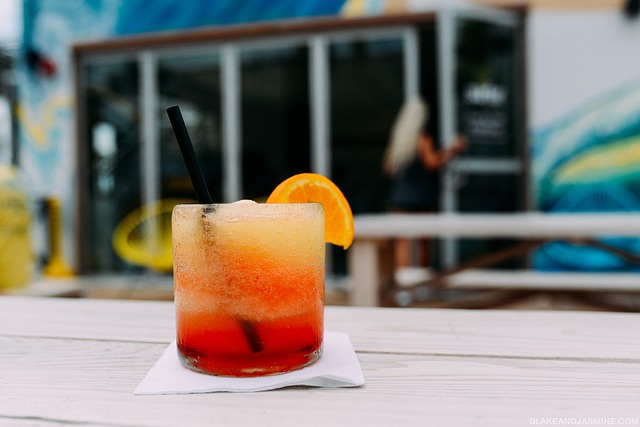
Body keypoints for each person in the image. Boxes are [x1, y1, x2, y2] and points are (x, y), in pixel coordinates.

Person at [383, 97, 466, 268]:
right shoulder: (423, 139)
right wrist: (452, 150)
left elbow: (388, 168)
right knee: (423, 241)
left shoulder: (398, 140)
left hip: (400, 197)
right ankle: (421, 278)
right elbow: (432, 163)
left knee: (402, 242)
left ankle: (402, 279)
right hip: (420, 197)